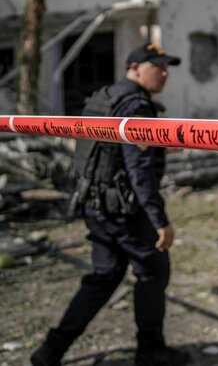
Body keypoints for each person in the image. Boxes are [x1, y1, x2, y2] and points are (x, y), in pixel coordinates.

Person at [30, 44, 190, 366]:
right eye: (157, 65)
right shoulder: (136, 107)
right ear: (134, 68)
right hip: (125, 212)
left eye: (167, 66)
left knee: (104, 276)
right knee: (152, 273)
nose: (164, 72)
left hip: (96, 205)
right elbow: (138, 172)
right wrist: (159, 220)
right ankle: (150, 351)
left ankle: (51, 349)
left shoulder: (104, 98)